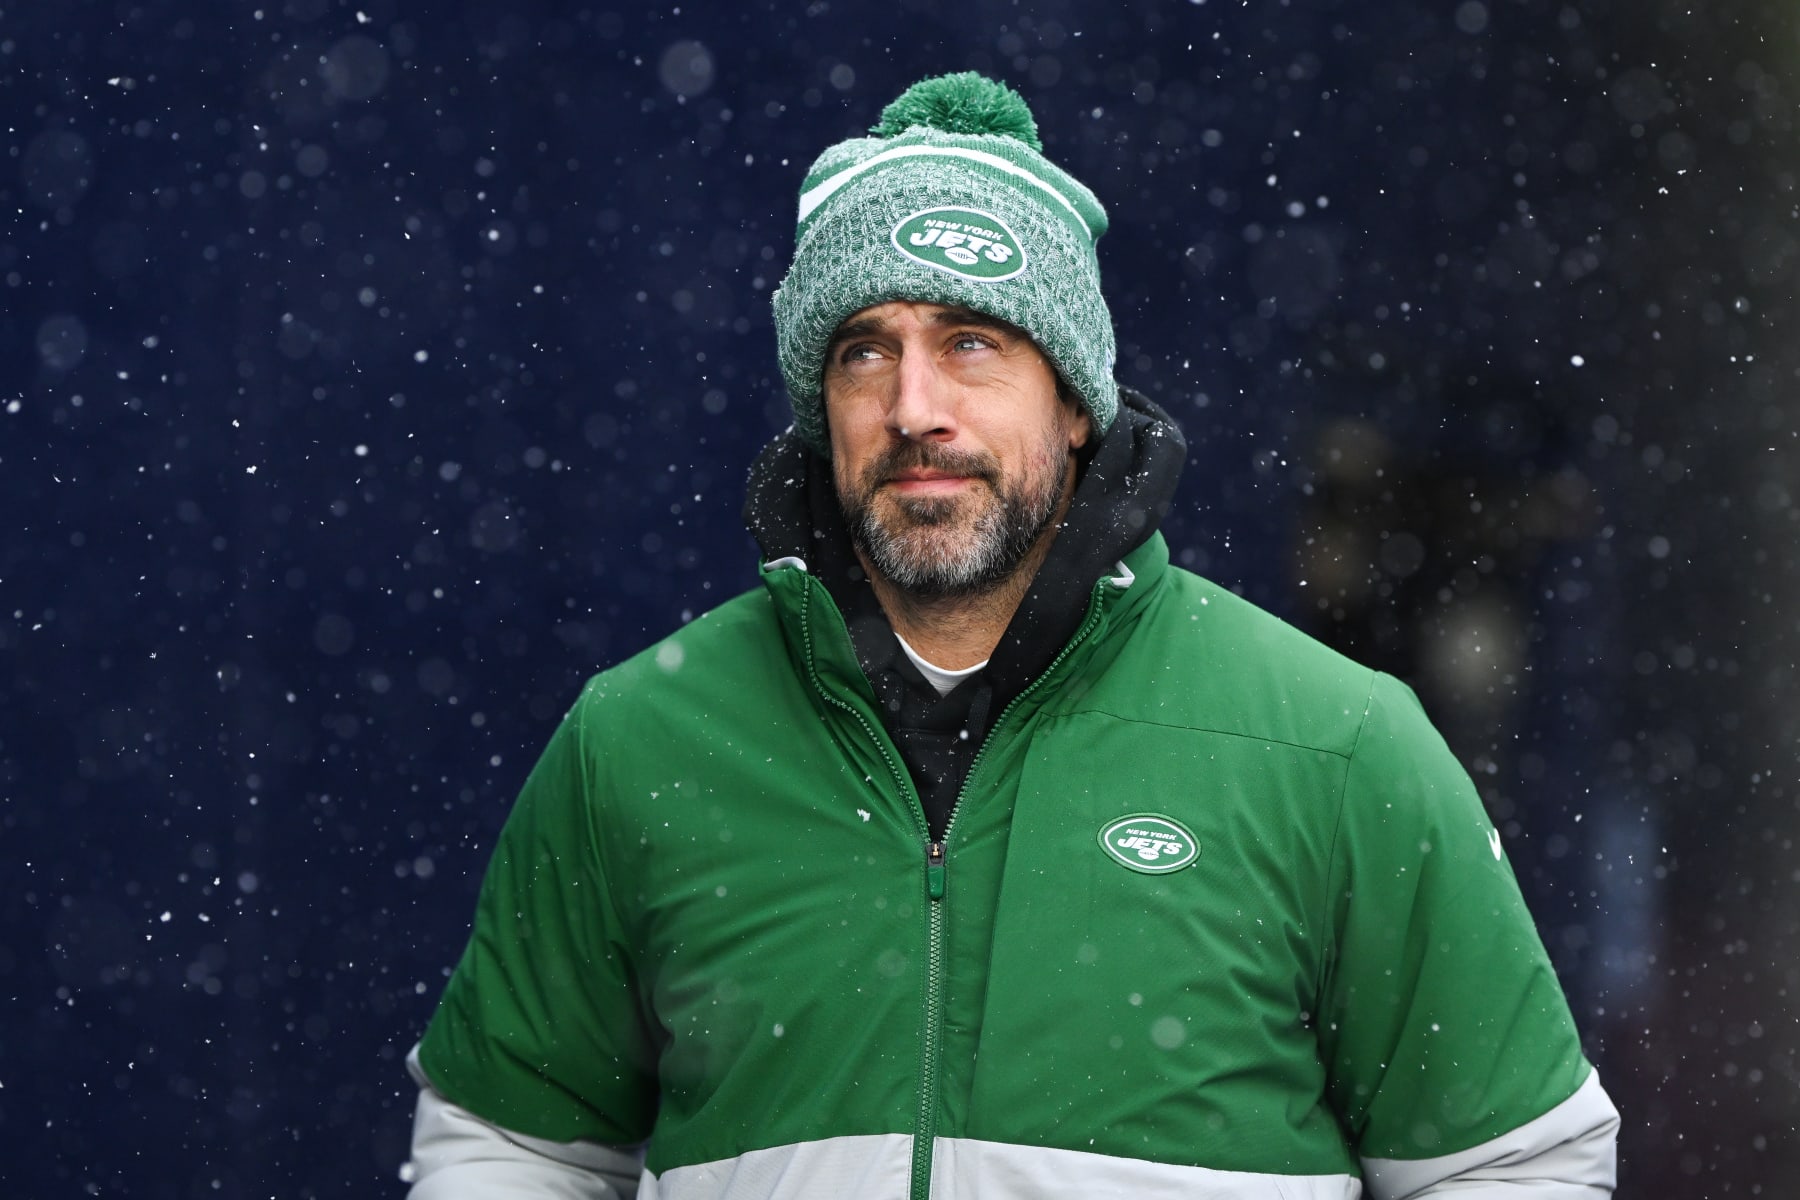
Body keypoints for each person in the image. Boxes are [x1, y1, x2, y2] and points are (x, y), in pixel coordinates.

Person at [402, 72, 1619, 1199]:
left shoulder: (1336, 746)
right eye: (863, 350)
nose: (912, 406)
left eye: (970, 343)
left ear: (1076, 403)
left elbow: (1515, 1164)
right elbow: (512, 1146)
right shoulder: (642, 741)